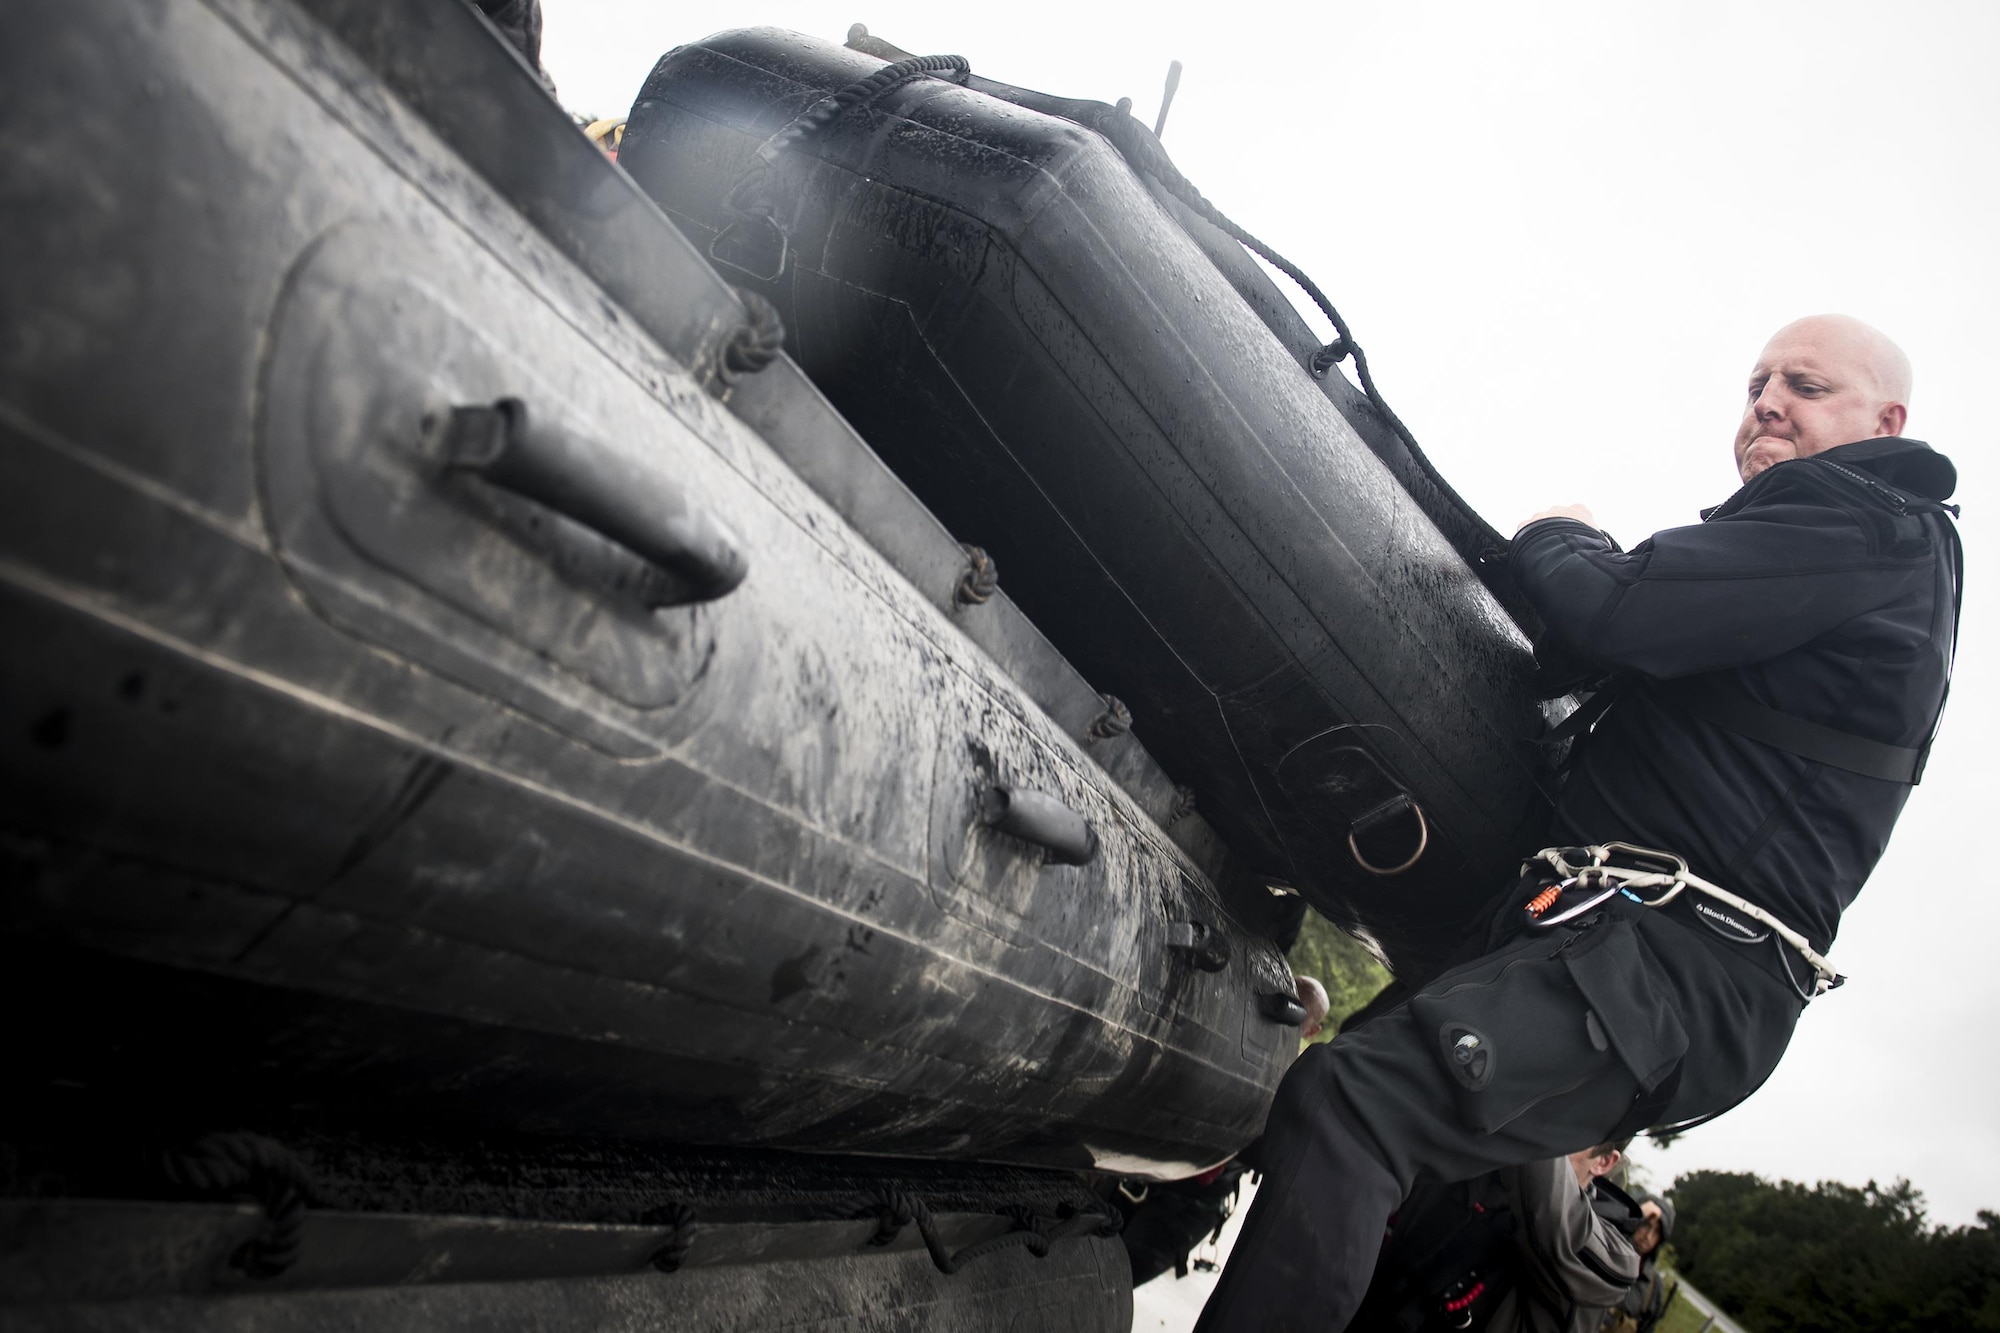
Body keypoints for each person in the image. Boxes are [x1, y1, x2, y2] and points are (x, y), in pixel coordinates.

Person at [1194, 315, 1961, 1331]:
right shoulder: (1841, 569)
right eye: (1755, 382)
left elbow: (1610, 610)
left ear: (1884, 420)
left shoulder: (1865, 520)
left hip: (1668, 960)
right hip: (1617, 945)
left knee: (1350, 1105)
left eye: (1805, 386)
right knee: (1397, 1182)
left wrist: (1560, 531)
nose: (1766, 400)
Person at [1347, 1140, 1643, 1332]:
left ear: (1603, 1162)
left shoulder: (1604, 1253)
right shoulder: (1489, 1163)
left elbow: (1549, 1212)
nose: (1564, 1123)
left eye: (1580, 1124)